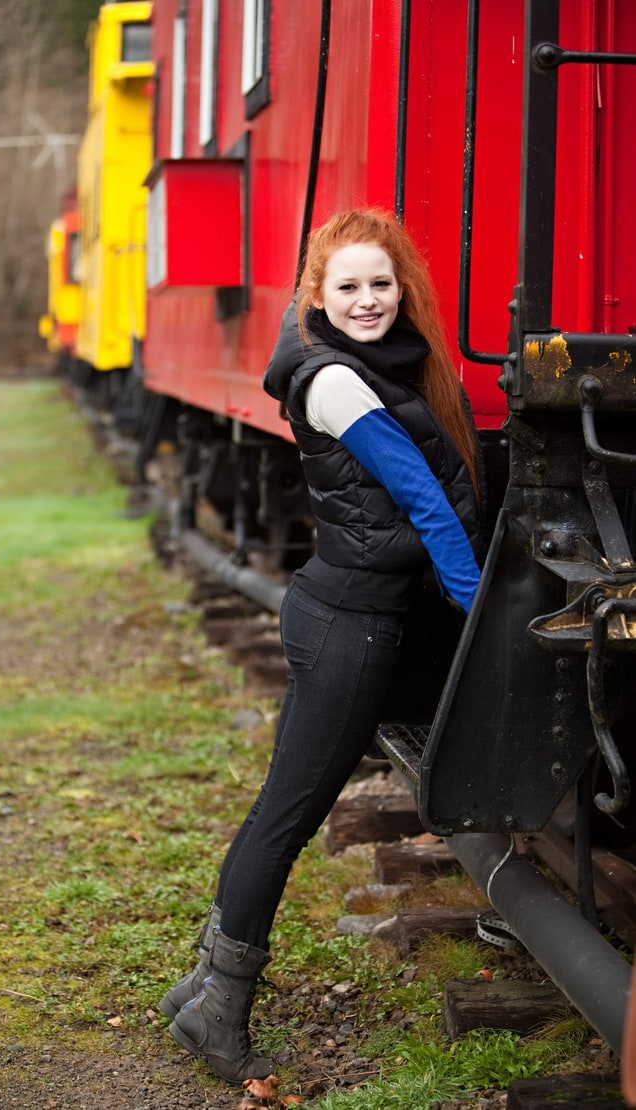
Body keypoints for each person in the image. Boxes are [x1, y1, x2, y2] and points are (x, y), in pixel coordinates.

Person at [160, 208, 484, 1084]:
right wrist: (480, 608)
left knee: (277, 809)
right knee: (287, 817)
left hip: (339, 609)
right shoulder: (338, 382)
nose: (369, 300)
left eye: (383, 283)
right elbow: (426, 502)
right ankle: (218, 1012)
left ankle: (198, 991)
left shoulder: (364, 362)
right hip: (348, 627)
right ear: (318, 295)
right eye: (348, 286)